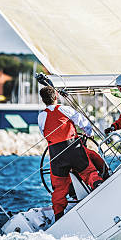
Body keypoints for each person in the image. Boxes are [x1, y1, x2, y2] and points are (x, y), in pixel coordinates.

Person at [38, 86, 103, 221]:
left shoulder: (41, 116)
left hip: (56, 154)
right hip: (73, 148)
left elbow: (44, 133)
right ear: (56, 97)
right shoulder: (64, 109)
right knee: (88, 171)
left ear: (43, 100)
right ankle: (98, 184)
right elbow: (84, 123)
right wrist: (88, 134)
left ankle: (58, 216)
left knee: (59, 187)